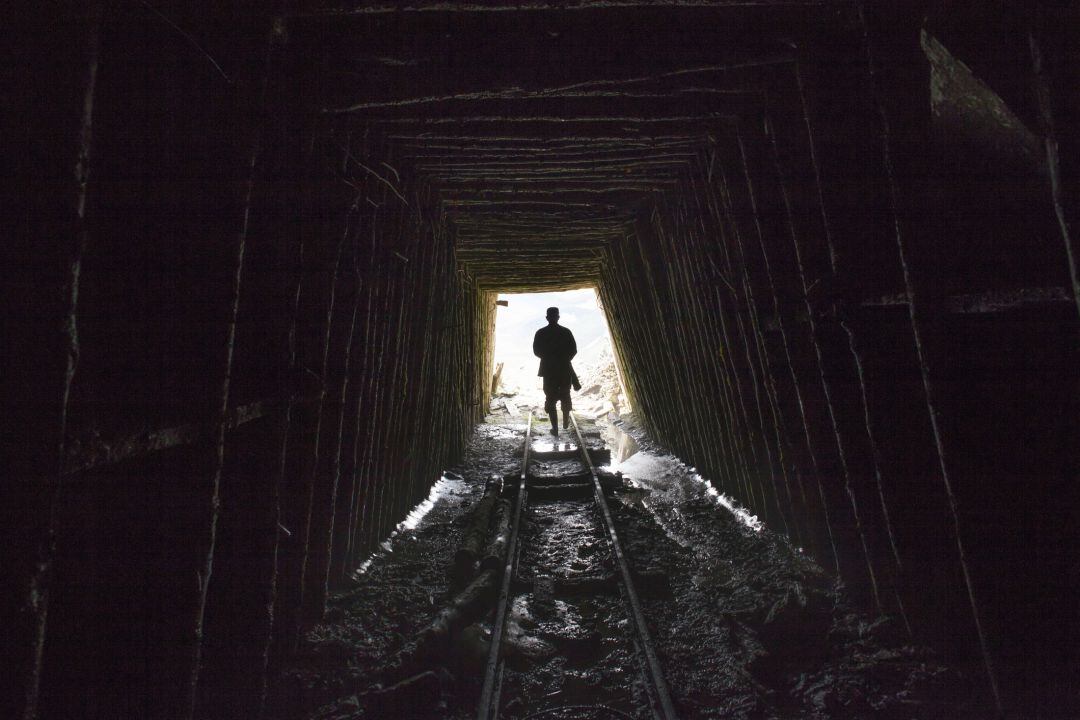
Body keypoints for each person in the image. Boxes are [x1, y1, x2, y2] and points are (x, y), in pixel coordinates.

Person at [533, 306, 577, 436]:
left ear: (547, 318)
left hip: (548, 370)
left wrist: (548, 358)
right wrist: (564, 359)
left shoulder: (540, 333)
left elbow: (536, 351)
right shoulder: (566, 332)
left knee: (550, 398)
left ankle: (555, 428)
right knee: (565, 395)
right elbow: (573, 350)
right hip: (564, 370)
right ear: (558, 317)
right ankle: (565, 422)